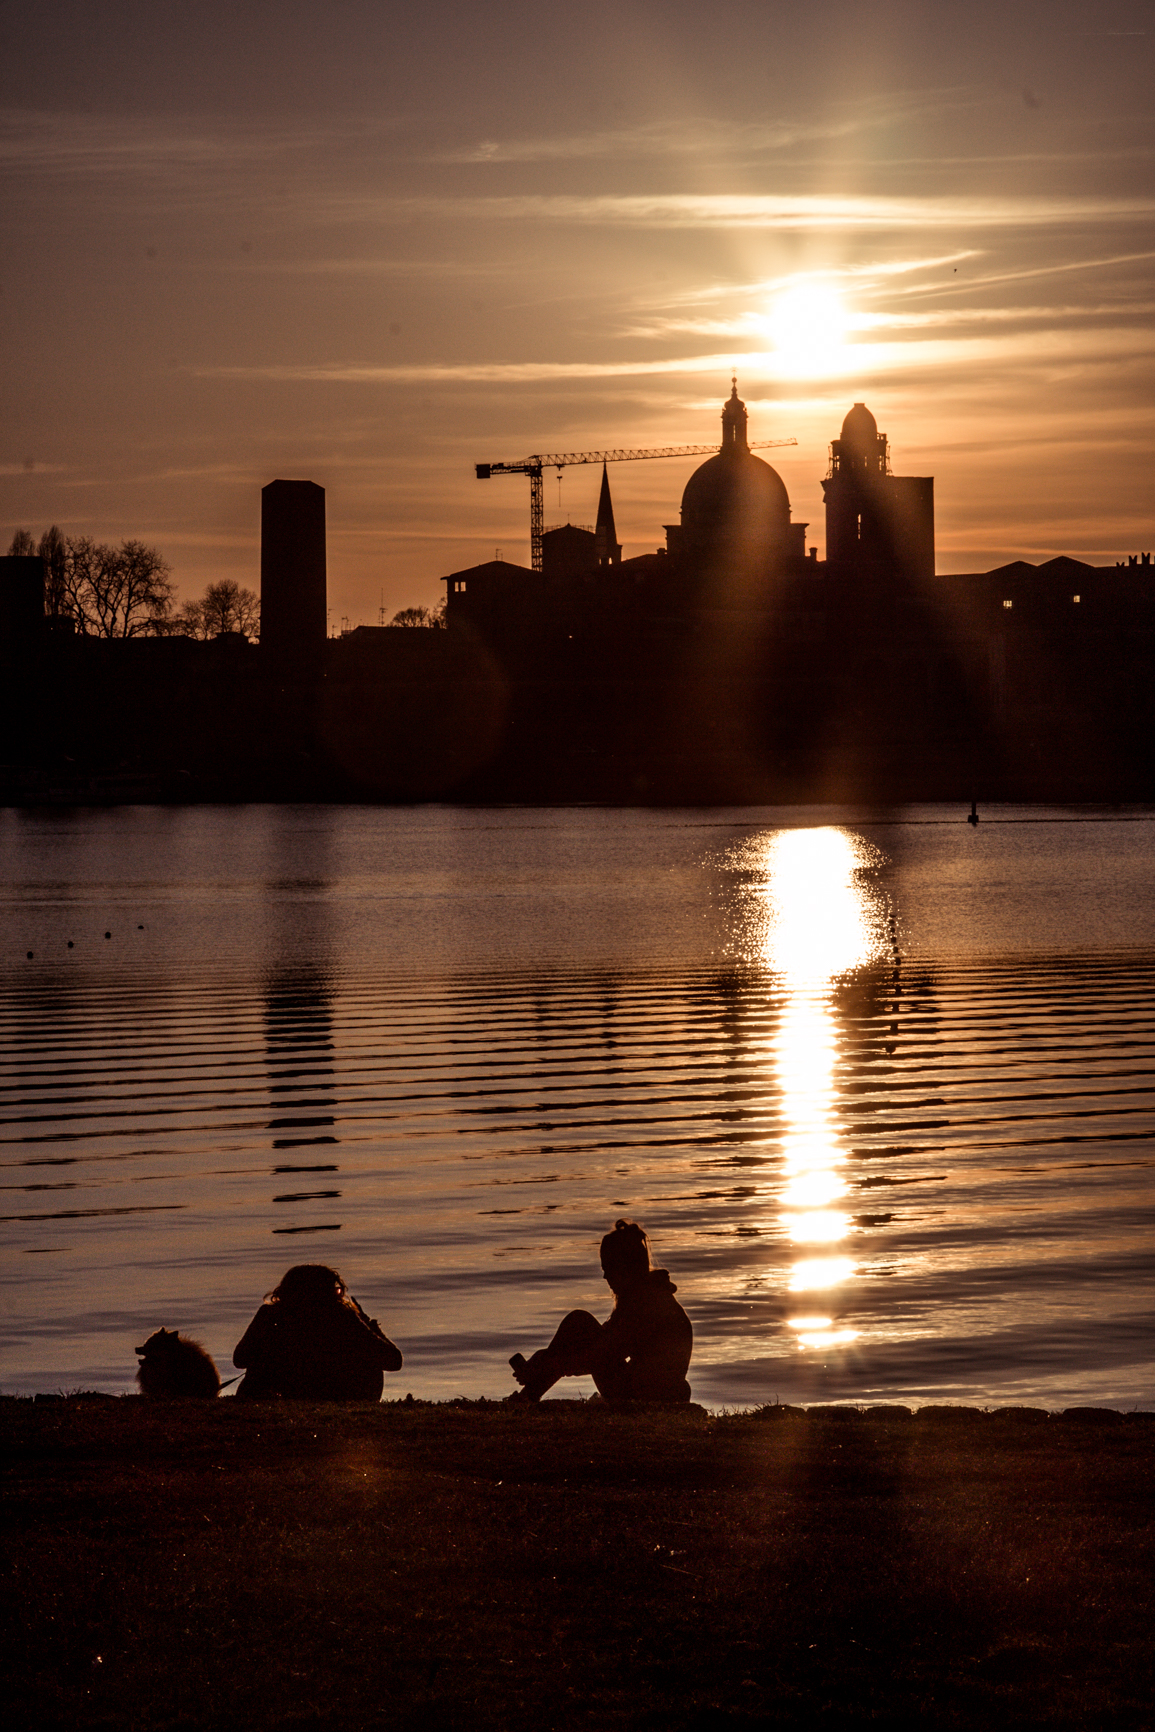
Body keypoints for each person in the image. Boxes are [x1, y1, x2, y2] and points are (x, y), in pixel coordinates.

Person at [509, 1219, 692, 1403]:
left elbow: (601, 1356)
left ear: (625, 1267)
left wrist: (551, 1364)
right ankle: (529, 1392)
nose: (605, 1276)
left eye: (608, 1269)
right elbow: (605, 1342)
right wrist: (547, 1359)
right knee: (578, 1322)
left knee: (578, 1322)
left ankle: (528, 1394)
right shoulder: (645, 1296)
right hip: (645, 1388)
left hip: (648, 1396)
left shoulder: (647, 1304)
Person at [233, 1264, 403, 1401]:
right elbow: (393, 1361)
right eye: (336, 1290)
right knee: (371, 1360)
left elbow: (240, 1359)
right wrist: (370, 1324)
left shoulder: (269, 1314)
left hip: (279, 1395)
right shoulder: (341, 1317)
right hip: (335, 1396)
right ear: (327, 1293)